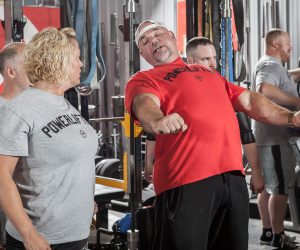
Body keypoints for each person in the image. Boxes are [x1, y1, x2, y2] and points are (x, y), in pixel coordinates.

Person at [125, 20, 300, 250]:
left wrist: (291, 117)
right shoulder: (143, 79)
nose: (153, 41)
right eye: (145, 41)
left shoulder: (207, 73)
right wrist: (157, 119)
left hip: (232, 179)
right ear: (143, 53)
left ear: (172, 35)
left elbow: (248, 99)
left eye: (157, 34)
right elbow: (144, 103)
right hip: (186, 182)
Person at [0, 27, 98, 250]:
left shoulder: (65, 105)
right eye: (77, 58)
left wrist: (83, 201)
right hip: (42, 240)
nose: (81, 64)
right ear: (59, 61)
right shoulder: (18, 110)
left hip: (76, 235)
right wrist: (28, 233)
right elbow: (1, 177)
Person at [144, 37, 265, 196]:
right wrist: (148, 165)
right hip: (189, 178)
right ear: (191, 60)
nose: (213, 64)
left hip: (226, 176)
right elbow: (154, 132)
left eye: (214, 58)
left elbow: (246, 134)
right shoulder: (174, 91)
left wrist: (256, 173)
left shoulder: (225, 89)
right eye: (206, 59)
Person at [252, 29, 300, 249]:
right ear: (276, 44)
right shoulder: (270, 66)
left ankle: (268, 231)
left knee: (268, 187)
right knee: (280, 190)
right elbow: (265, 88)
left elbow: (284, 77)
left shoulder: (272, 65)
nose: (291, 47)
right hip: (276, 139)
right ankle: (279, 236)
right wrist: (296, 102)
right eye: (288, 43)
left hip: (266, 138)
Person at [0, 42, 31, 250]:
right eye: (28, 63)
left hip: (37, 217)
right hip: (10, 226)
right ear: (11, 72)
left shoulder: (36, 109)